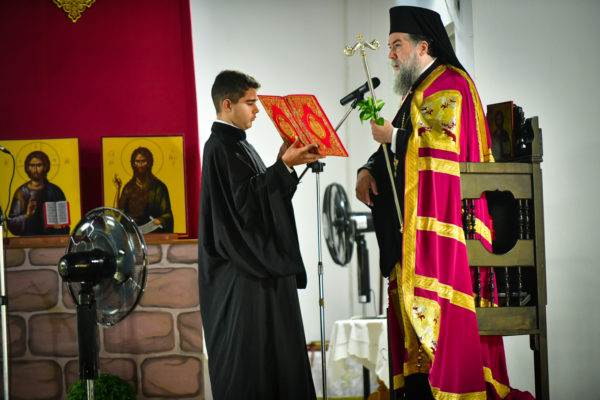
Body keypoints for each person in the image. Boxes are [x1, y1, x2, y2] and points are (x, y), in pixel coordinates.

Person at [355, 6, 534, 400]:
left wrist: (393, 138)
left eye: (397, 45)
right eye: (389, 47)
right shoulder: (418, 90)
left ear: (423, 47)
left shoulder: (450, 83)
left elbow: (442, 150)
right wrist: (366, 170)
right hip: (412, 232)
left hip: (450, 229)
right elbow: (400, 143)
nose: (390, 55)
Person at [198, 70, 323, 399]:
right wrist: (282, 167)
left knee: (275, 362)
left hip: (257, 269)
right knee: (254, 366)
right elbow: (242, 209)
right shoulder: (219, 147)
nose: (257, 110)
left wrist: (285, 164)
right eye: (250, 102)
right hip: (242, 277)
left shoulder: (239, 145)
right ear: (228, 105)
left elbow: (256, 199)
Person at [8, 150, 70, 236]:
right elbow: (11, 222)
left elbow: (65, 224)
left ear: (45, 167)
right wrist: (27, 215)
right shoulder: (21, 192)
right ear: (27, 168)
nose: (35, 169)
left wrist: (60, 226)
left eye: (39, 165)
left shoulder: (55, 191)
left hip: (51, 239)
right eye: (32, 165)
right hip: (28, 240)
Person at [113, 146, 174, 233]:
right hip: (131, 232)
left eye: (143, 161)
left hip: (153, 231)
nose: (140, 165)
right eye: (137, 161)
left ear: (149, 163)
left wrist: (160, 220)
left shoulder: (159, 187)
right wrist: (118, 189)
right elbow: (116, 213)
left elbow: (167, 215)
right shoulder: (128, 187)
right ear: (133, 164)